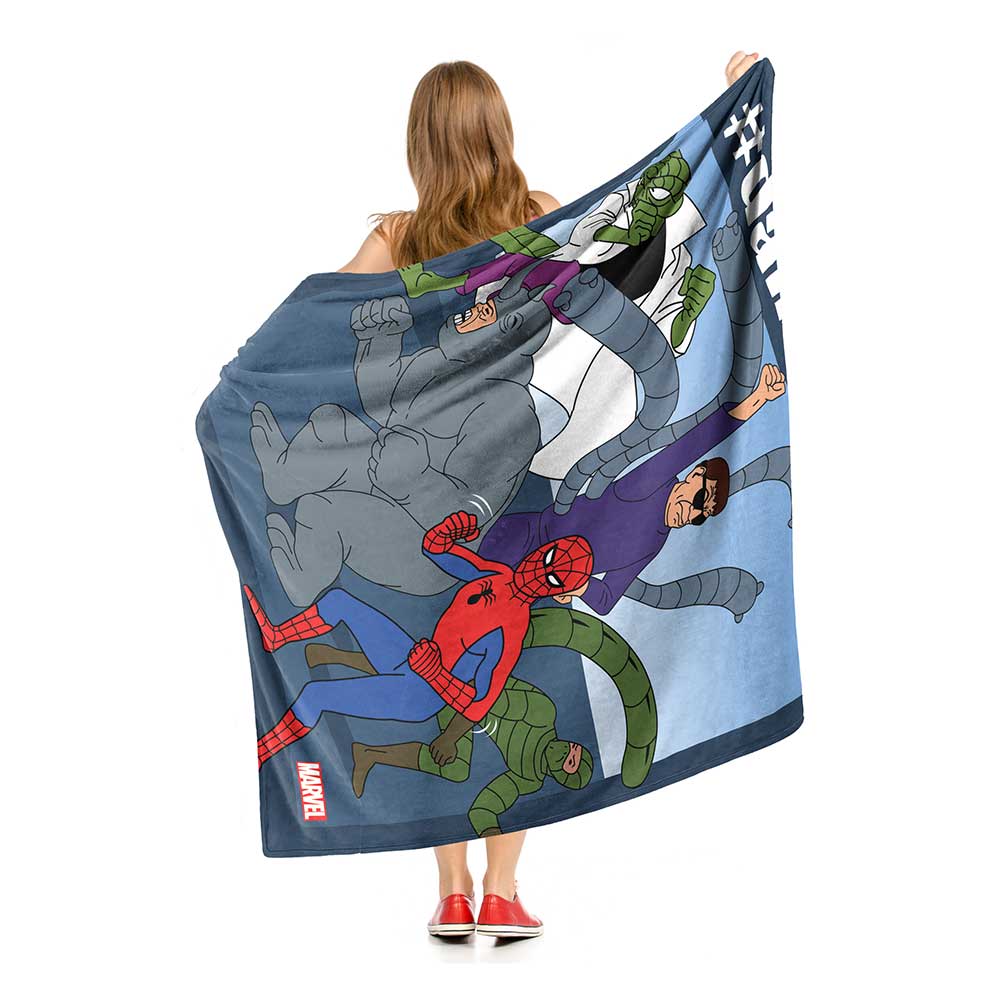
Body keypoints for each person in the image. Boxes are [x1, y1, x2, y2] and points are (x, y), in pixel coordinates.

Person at [338, 51, 762, 941]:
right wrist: (730, 106)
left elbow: (319, 331)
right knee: (528, 671)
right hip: (524, 486)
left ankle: (452, 891)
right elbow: (648, 234)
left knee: (446, 670)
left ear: (419, 144)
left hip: (427, 500)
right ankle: (501, 890)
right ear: (499, 130)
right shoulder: (539, 216)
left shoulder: (397, 238)